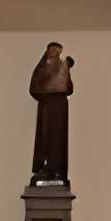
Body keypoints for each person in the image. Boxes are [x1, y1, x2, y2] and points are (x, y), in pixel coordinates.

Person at [29, 41, 74, 183]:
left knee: (58, 138)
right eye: (52, 50)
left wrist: (67, 70)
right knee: (45, 137)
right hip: (47, 107)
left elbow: (69, 89)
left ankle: (57, 169)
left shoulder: (62, 67)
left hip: (60, 108)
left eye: (57, 51)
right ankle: (46, 168)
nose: (55, 54)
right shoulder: (42, 68)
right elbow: (34, 88)